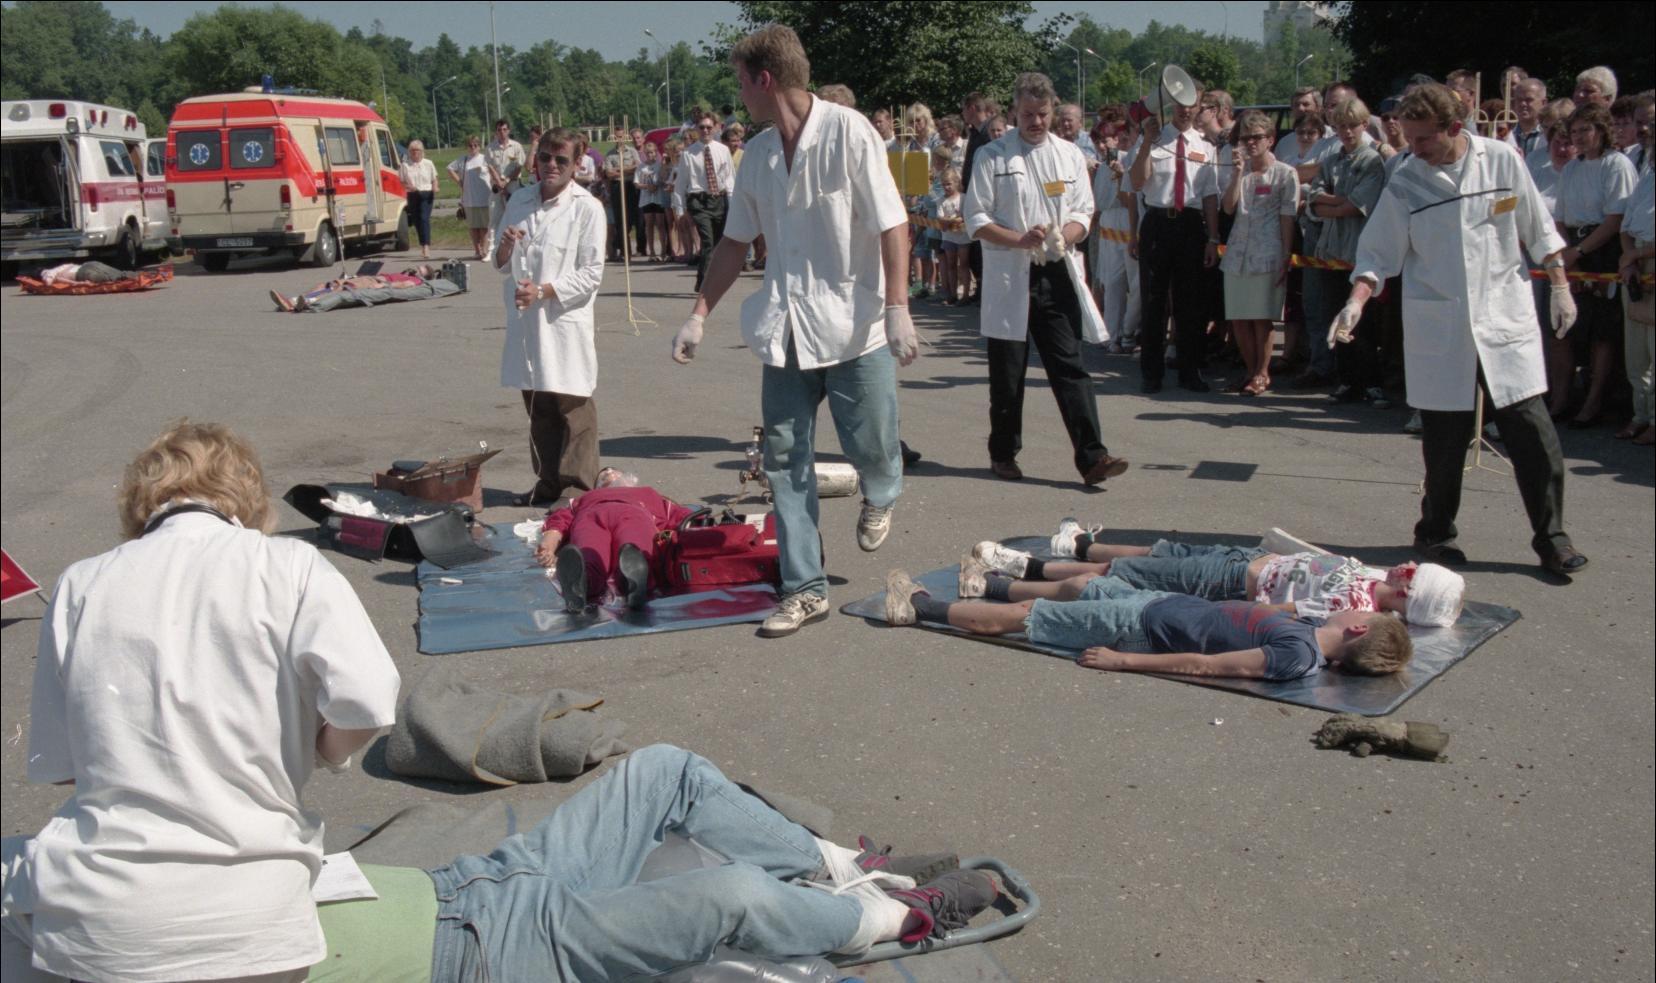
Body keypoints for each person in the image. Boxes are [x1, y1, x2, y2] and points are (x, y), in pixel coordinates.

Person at [5, 420, 400, 982]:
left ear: (140, 501)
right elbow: (368, 699)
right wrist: (322, 749)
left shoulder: (80, 583)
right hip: (258, 916)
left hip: (107, 922)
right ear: (245, 493)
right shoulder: (289, 565)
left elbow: (64, 765)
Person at [669, 23, 917, 638]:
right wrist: (699, 314)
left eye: (740, 82)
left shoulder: (849, 132)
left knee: (871, 445)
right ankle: (804, 587)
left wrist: (898, 306)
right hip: (786, 328)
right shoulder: (756, 155)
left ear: (765, 79)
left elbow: (892, 222)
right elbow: (734, 242)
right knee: (784, 460)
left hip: (856, 326)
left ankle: (881, 490)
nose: (738, 95)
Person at [1336, 83, 1589, 578]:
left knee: (1535, 436)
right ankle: (1435, 532)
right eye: (1408, 138)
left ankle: (1553, 539)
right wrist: (1355, 302)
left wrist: (1560, 286)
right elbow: (1377, 252)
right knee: (1445, 446)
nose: (1414, 148)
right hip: (1442, 326)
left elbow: (1537, 228)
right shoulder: (1407, 180)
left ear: (1454, 127)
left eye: (1423, 139)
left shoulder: (1501, 161)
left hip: (1503, 319)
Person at [964, 71, 1125, 486]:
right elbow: (975, 218)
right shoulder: (992, 156)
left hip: (1055, 270)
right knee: (1008, 372)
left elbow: (1083, 212)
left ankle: (1093, 457)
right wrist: (1019, 239)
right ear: (1014, 112)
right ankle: (1003, 453)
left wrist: (1061, 237)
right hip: (1010, 271)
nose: (1036, 122)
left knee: (1070, 365)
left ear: (1053, 110)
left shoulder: (1069, 155)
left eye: (1043, 114)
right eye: (1027, 115)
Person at [882, 568, 1414, 681]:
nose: (1360, 607)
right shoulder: (1308, 629)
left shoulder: (1298, 657)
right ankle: (989, 583)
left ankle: (917, 608)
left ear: (1357, 632)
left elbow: (1207, 665)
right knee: (1082, 585)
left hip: (1142, 628)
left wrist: (1124, 660)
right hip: (1164, 604)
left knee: (1030, 619)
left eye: (1365, 614)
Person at [962, 526, 1466, 627]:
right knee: (1158, 552)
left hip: (1226, 583)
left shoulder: (1355, 608)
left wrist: (1223, 613)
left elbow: (1285, 610)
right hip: (1244, 560)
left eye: (1415, 574)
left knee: (1124, 571)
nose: (1409, 566)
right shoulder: (1374, 578)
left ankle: (1015, 568)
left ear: (1408, 591)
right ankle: (1069, 545)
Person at [495, 129, 607, 507]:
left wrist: (544, 291)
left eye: (561, 160)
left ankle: (577, 486)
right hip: (527, 320)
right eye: (545, 157)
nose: (551, 166)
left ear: (577, 164)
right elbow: (499, 263)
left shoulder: (586, 208)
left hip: (563, 319)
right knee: (538, 403)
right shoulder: (520, 200)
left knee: (573, 403)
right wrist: (505, 246)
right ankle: (547, 481)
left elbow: (591, 274)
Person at [1129, 87, 1222, 393]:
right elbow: (1137, 182)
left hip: (1190, 224)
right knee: (1153, 301)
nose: (1185, 111)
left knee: (1189, 302)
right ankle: (1151, 372)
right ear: (1171, 106)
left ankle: (1189, 370)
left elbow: (1210, 195)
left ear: (1199, 107)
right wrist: (1146, 143)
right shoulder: (1155, 138)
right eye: (1180, 105)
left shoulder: (1205, 146)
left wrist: (1212, 237)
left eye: (1191, 105)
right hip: (1158, 221)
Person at [1555, 103, 1637, 429]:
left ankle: (1594, 401)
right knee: (1570, 326)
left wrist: (1580, 250)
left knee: (1603, 331)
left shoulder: (1617, 165)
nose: (1578, 137)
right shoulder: (1571, 169)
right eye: (1574, 131)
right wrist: (1568, 252)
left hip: (1603, 248)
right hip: (1573, 247)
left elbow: (1616, 219)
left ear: (1601, 130)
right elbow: (1560, 217)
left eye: (1585, 130)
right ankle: (1563, 398)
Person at [1309, 97, 1389, 407]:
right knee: (1335, 315)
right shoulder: (1330, 161)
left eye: (1352, 126)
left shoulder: (1372, 161)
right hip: (1330, 251)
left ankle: (1372, 382)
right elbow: (1315, 201)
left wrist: (1334, 203)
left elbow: (1357, 206)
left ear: (1364, 125)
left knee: (1363, 322)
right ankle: (1347, 380)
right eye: (1340, 126)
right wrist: (1337, 202)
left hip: (1358, 251)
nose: (1346, 132)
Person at [533, 467, 698, 611]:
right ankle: (582, 584)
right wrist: (548, 546)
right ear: (597, 487)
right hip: (590, 516)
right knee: (589, 550)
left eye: (613, 470)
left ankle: (634, 581)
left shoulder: (648, 493)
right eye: (603, 475)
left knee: (635, 547)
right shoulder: (584, 498)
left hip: (633, 513)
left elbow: (680, 515)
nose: (609, 472)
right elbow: (560, 521)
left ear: (629, 481)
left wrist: (703, 525)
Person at [1220, 110, 1298, 396]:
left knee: (1261, 317)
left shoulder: (1285, 173)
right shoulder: (1240, 172)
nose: (1251, 143)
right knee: (1239, 318)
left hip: (1267, 252)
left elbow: (1288, 216)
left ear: (1270, 140)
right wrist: (1236, 173)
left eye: (1256, 137)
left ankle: (1263, 373)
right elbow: (1228, 207)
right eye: (1246, 138)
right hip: (1237, 253)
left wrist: (1286, 254)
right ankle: (1249, 370)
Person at [1618, 108, 1655, 444]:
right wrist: (1629, 258)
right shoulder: (1647, 176)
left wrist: (1638, 255)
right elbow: (1626, 224)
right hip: (1635, 261)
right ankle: (1640, 414)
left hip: (1649, 257)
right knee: (1636, 352)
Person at [1091, 108, 1140, 354]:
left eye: (1108, 138)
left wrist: (1121, 175)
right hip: (1109, 222)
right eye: (1100, 140)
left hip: (1131, 220)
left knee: (1137, 284)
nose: (1103, 145)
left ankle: (1130, 330)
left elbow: (1129, 196)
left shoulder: (1130, 158)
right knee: (1112, 282)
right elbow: (1098, 201)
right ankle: (1113, 334)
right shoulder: (1103, 165)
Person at [674, 112, 736, 291]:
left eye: (709, 127)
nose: (706, 131)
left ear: (716, 128)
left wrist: (732, 203)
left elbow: (730, 179)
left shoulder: (723, 150)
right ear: (696, 129)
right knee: (707, 241)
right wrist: (680, 210)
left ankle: (710, 278)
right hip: (698, 202)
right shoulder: (688, 154)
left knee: (717, 243)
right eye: (702, 127)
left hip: (719, 200)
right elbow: (680, 184)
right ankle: (704, 284)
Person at [447, 135, 499, 260]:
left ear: (479, 146)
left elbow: (494, 172)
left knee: (484, 227)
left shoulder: (484, 159)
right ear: (467, 147)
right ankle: (477, 250)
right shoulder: (463, 160)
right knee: (473, 227)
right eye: (470, 145)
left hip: (484, 197)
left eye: (475, 145)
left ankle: (485, 250)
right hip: (469, 198)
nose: (473, 147)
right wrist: (459, 181)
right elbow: (449, 168)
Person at [485, 118, 526, 239]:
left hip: (512, 185)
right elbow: (490, 166)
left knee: (514, 215)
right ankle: (492, 245)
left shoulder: (516, 146)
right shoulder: (490, 147)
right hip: (497, 187)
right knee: (494, 217)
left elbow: (519, 166)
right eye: (499, 130)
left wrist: (506, 181)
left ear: (508, 130)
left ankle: (515, 242)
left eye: (504, 129)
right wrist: (499, 182)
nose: (502, 132)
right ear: (496, 132)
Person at [399, 139, 439, 259]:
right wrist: (409, 187)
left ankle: (426, 247)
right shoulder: (405, 165)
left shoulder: (428, 163)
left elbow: (434, 178)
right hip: (413, 194)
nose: (415, 152)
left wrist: (435, 187)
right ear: (409, 152)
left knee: (424, 218)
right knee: (417, 221)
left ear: (422, 151)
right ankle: (422, 244)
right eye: (412, 150)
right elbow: (402, 181)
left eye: (417, 150)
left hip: (426, 193)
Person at [1507, 78, 1550, 161]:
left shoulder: (1550, 135)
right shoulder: (1506, 134)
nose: (1523, 104)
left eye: (1528, 100)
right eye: (1519, 100)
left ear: (1544, 103)